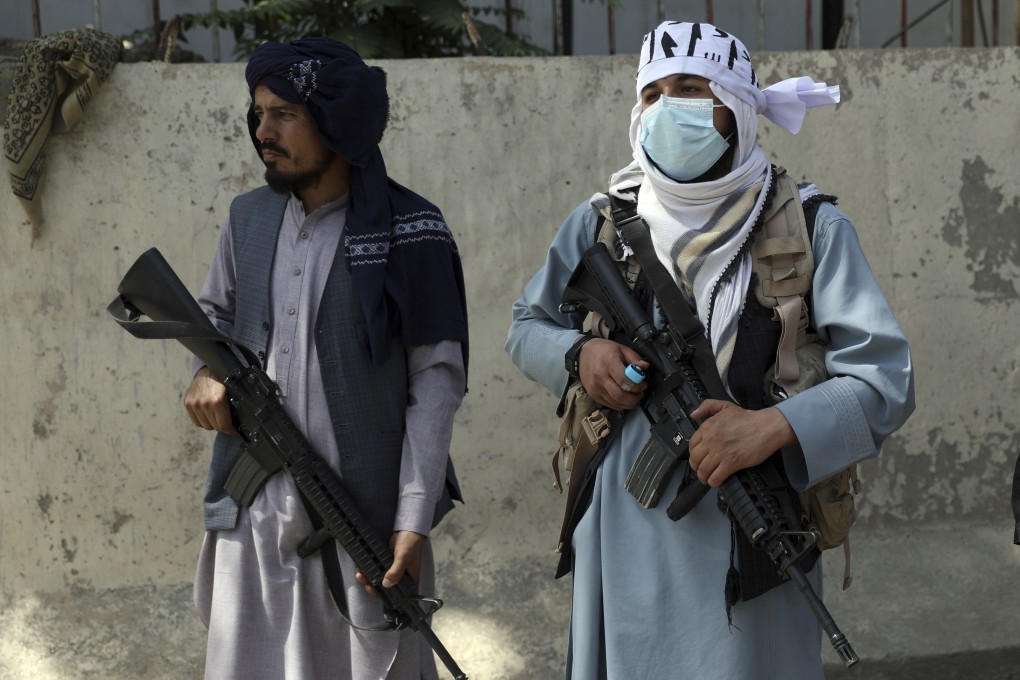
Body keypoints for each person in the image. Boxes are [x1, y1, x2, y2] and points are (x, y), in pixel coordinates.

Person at [506, 21, 915, 679]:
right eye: (654, 92)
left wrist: (773, 427)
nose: (669, 107)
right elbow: (527, 325)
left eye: (692, 89)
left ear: (736, 107)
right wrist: (580, 354)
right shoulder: (601, 224)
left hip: (756, 532)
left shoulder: (810, 227)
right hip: (623, 537)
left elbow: (886, 380)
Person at [182, 38, 469, 680]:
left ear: (336, 121)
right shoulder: (248, 219)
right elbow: (215, 319)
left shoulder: (412, 228)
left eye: (283, 113)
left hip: (362, 521)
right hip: (254, 510)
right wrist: (205, 373)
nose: (263, 131)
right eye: (258, 113)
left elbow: (437, 383)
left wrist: (412, 522)